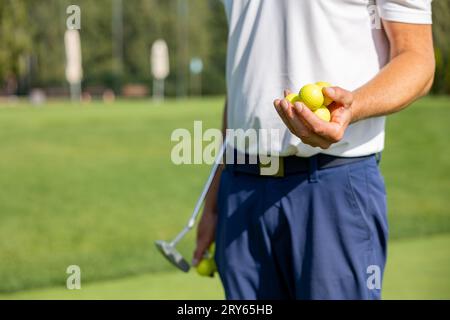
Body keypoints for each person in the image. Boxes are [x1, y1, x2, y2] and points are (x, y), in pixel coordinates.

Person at [193, 0, 435, 300]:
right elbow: (243, 74)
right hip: (240, 189)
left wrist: (353, 106)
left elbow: (417, 58)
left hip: (334, 183)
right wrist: (214, 200)